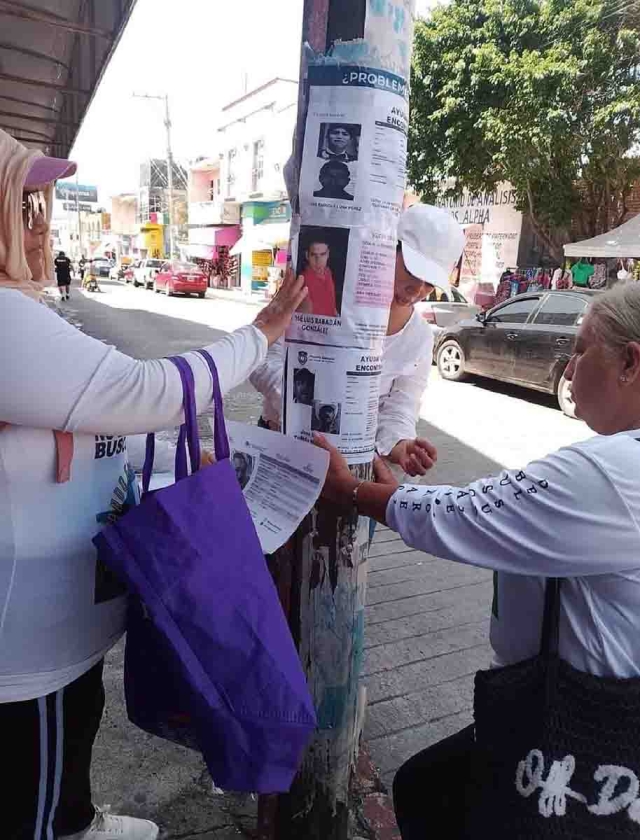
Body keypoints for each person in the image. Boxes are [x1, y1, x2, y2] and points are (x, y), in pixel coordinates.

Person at [0, 128, 306, 840]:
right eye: (24, 203)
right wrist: (260, 331)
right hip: (25, 642)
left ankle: (76, 820)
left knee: (72, 734)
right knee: (30, 786)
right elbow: (151, 389)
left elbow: (90, 413)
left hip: (53, 623)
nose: (37, 222)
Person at [316, 279, 640, 839]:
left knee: (438, 796)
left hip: (584, 718)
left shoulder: (613, 471)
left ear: (631, 362)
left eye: (583, 348)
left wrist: (352, 493)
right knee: (429, 787)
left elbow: (471, 514)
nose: (569, 365)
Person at [252, 203, 465, 479]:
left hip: (353, 469)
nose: (418, 290)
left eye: (429, 284)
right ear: (388, 249)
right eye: (413, 274)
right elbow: (262, 358)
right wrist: (306, 407)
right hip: (281, 448)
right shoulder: (322, 296)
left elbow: (402, 404)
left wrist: (400, 445)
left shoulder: (419, 336)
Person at [297, 237, 339, 317]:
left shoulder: (328, 272)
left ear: (328, 254)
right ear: (307, 255)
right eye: (313, 255)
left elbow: (331, 303)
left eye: (322, 254)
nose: (318, 261)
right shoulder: (302, 280)